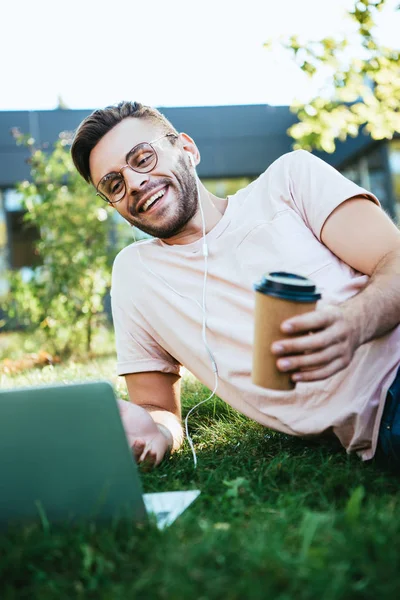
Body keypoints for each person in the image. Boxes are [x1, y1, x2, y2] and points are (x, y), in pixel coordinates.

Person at [71, 101, 400, 470]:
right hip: (385, 421)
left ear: (187, 148)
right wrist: (156, 433)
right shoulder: (135, 275)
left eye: (143, 158)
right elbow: (156, 408)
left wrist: (355, 322)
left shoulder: (290, 179)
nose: (134, 183)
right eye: (113, 184)